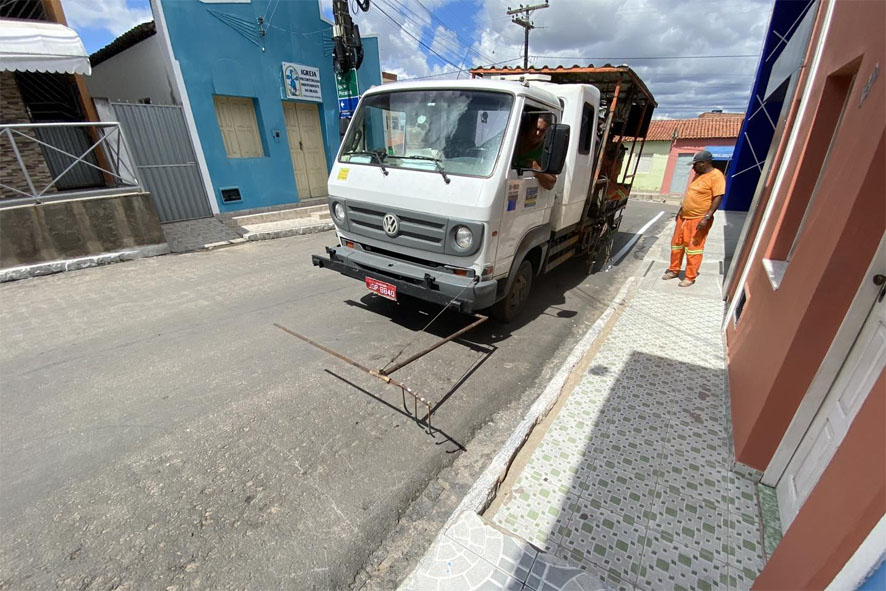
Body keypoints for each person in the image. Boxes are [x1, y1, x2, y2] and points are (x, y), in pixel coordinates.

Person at [662, 150, 725, 287]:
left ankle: (690, 277)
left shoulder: (716, 176)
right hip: (684, 217)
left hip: (698, 219)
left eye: (695, 164)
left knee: (693, 248)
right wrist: (681, 210)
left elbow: (717, 197)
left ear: (704, 163)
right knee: (677, 244)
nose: (693, 167)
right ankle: (674, 270)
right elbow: (691, 195)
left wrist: (707, 218)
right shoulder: (698, 175)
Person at [513, 113, 557, 190]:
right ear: (529, 126)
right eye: (536, 128)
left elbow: (551, 183)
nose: (537, 133)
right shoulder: (514, 138)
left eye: (542, 131)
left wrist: (536, 169)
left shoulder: (545, 150)